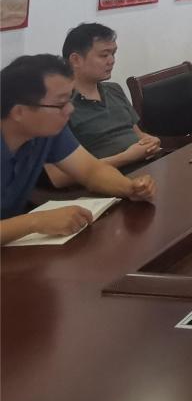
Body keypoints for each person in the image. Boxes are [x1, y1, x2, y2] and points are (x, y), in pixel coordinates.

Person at [1, 55, 156, 245]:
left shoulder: (47, 131)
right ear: (19, 112)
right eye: (60, 104)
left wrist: (129, 188)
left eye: (70, 99)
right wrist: (35, 221)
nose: (70, 110)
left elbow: (91, 170)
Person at [49, 24, 160, 186]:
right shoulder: (61, 106)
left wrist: (149, 141)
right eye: (104, 55)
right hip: (106, 182)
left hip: (146, 167)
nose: (111, 61)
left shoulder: (114, 89)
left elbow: (138, 134)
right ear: (76, 60)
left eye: (113, 54)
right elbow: (60, 177)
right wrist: (126, 157)